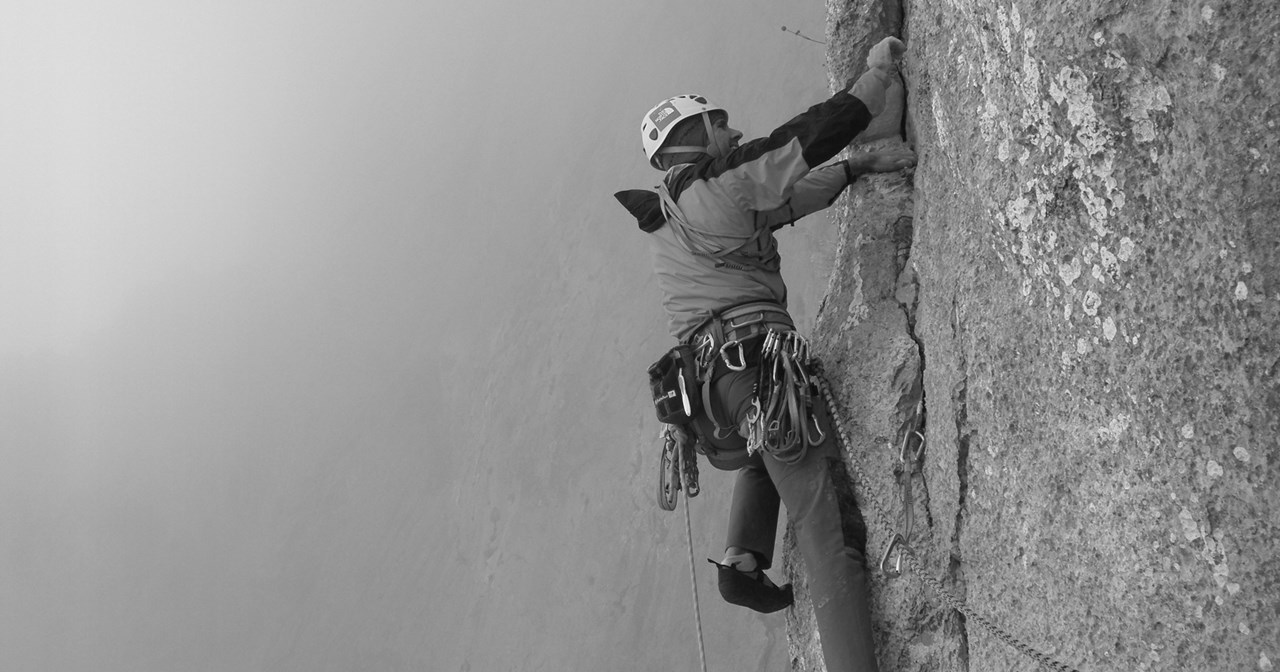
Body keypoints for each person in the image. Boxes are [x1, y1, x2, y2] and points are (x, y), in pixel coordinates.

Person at [615, 37, 915, 672]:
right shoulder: (718, 185)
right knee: (828, 531)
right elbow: (799, 143)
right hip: (752, 366)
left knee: (766, 450)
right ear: (696, 136)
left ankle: (742, 557)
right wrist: (873, 80)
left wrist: (856, 169)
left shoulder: (678, 214)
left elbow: (788, 201)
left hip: (712, 390)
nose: (733, 132)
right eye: (720, 124)